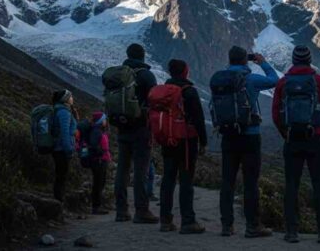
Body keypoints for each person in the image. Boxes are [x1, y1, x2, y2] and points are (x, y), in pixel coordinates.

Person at [272, 45, 320, 244]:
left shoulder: (283, 83)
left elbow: (276, 113)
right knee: (319, 184)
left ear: (293, 60)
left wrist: (286, 133)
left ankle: (292, 231)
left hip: (292, 139)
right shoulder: (319, 81)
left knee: (291, 185)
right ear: (309, 60)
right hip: (315, 138)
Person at [218, 46, 278, 238]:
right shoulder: (250, 79)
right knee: (250, 182)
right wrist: (262, 62)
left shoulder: (220, 78)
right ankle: (253, 226)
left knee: (227, 181)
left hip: (228, 135)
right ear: (246, 60)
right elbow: (274, 80)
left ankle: (227, 226)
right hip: (250, 135)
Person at [158, 59, 208, 234]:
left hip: (168, 140)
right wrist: (204, 142)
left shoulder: (163, 91)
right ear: (185, 71)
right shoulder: (189, 91)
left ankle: (165, 221)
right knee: (186, 181)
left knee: (168, 179)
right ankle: (188, 221)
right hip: (186, 142)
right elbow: (199, 119)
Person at [113, 43, 159, 223]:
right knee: (141, 170)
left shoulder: (118, 75)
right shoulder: (146, 75)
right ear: (143, 56)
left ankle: (121, 211)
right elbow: (155, 101)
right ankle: (142, 211)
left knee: (122, 169)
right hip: (141, 128)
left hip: (122, 127)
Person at [52, 89, 78, 202]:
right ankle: (58, 200)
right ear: (65, 99)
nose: (72, 98)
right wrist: (69, 149)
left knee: (60, 174)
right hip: (61, 149)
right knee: (61, 175)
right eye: (70, 96)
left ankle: (58, 198)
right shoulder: (64, 112)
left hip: (58, 148)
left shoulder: (61, 110)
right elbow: (65, 133)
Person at [88, 112, 111, 215]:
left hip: (101, 160)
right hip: (99, 161)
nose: (106, 121)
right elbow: (93, 145)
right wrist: (101, 152)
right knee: (98, 183)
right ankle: (96, 206)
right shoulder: (96, 131)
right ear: (101, 121)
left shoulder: (99, 130)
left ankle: (98, 204)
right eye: (104, 119)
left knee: (100, 183)